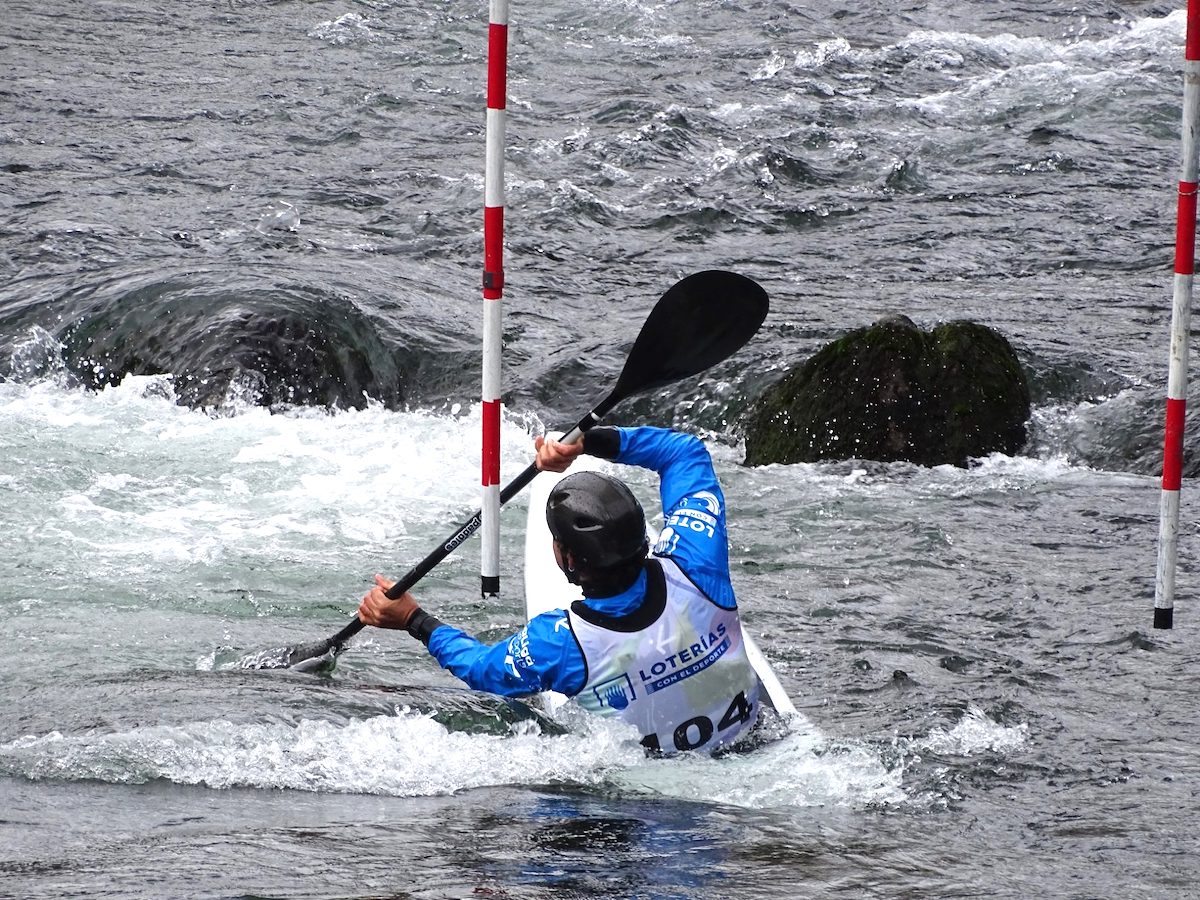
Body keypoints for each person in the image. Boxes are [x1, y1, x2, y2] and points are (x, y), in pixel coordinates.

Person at [357, 425, 762, 754]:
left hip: (643, 801)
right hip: (750, 745)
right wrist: (590, 441)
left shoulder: (558, 643)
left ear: (569, 560)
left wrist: (415, 620)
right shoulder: (697, 558)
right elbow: (684, 452)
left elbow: (482, 671)